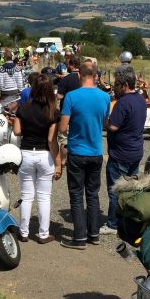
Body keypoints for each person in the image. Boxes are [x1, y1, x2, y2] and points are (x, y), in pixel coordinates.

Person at [59, 61, 111, 250]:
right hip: (96, 151)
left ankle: (79, 237)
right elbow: (105, 123)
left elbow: (63, 127)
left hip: (77, 151)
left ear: (79, 75)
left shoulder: (71, 97)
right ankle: (94, 234)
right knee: (93, 194)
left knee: (76, 194)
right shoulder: (105, 97)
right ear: (96, 76)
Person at [11, 73, 62, 244]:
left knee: (26, 196)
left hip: (26, 154)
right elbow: (51, 140)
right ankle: (43, 234)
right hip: (44, 155)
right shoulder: (53, 111)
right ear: (49, 90)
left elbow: (17, 132)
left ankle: (23, 232)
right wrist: (58, 163)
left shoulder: (23, 107)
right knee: (44, 196)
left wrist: (14, 122)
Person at [99, 64, 148, 236]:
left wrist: (104, 119)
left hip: (120, 154)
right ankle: (128, 219)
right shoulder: (141, 100)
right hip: (136, 151)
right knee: (131, 188)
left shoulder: (123, 103)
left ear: (125, 85)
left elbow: (112, 126)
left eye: (117, 86)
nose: (115, 89)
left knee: (116, 190)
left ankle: (112, 224)